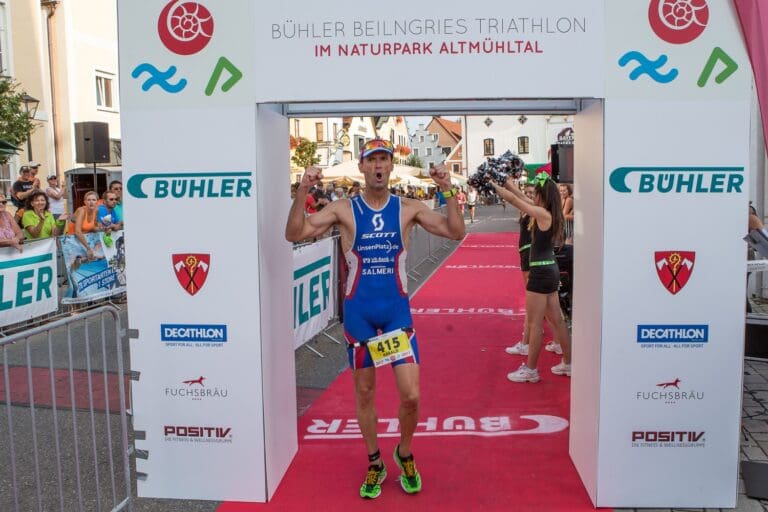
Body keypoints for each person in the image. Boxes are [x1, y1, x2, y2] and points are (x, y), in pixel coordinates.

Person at [285, 138, 465, 499]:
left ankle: (405, 451)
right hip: (360, 314)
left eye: (384, 159)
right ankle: (374, 463)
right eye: (373, 161)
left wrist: (448, 192)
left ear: (390, 167)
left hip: (396, 311)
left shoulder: (409, 207)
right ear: (363, 168)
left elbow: (454, 231)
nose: (379, 166)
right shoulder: (343, 208)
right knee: (365, 392)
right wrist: (302, 189)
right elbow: (295, 233)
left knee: (411, 395)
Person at [492, 172, 572, 382]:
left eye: (536, 193)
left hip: (541, 273)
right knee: (557, 320)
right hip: (549, 270)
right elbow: (519, 196)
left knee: (536, 325)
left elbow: (514, 200)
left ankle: (531, 370)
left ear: (542, 196)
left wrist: (493, 185)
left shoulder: (542, 214)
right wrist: (506, 183)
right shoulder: (547, 212)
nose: (533, 196)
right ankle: (568, 363)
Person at [69, 190, 101, 258]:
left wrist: (103, 228)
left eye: (94, 200)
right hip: (72, 241)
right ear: (85, 202)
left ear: (97, 202)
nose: (91, 202)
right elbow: (77, 231)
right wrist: (88, 248)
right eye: (88, 200)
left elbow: (93, 228)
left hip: (84, 240)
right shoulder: (81, 210)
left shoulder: (96, 211)